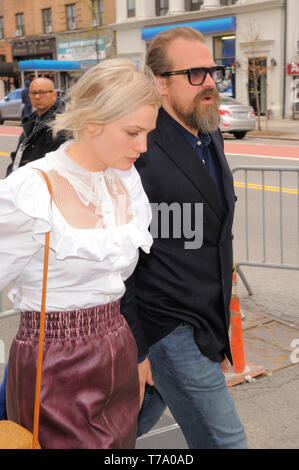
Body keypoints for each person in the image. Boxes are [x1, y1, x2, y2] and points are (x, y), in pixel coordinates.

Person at [0, 59, 160, 449]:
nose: (143, 147)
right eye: (133, 132)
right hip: (54, 361)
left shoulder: (125, 183)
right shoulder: (31, 190)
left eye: (147, 134)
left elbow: (125, 284)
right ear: (93, 122)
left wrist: (137, 353)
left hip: (118, 347)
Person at [120, 26, 249, 449]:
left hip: (207, 322)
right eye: (194, 73)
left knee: (121, 429)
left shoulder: (208, 133)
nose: (209, 81)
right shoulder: (138, 148)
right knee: (226, 442)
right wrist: (141, 348)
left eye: (212, 70)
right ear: (160, 82)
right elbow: (120, 260)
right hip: (169, 328)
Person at [6, 77, 66, 176]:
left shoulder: (59, 124)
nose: (37, 96)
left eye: (42, 92)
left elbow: (52, 169)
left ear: (54, 95)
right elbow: (18, 155)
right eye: (34, 93)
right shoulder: (31, 121)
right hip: (18, 182)